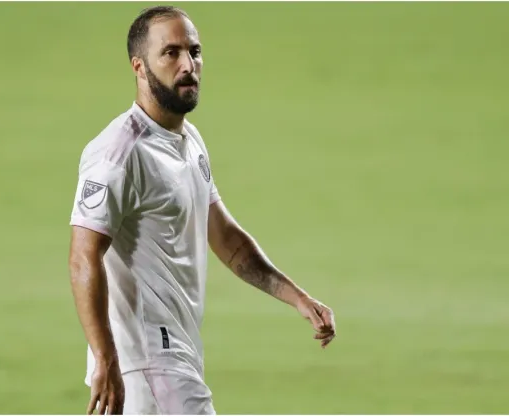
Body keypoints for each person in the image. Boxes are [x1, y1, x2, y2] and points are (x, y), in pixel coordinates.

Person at [68, 6, 336, 415]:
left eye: (194, 51)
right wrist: (106, 358)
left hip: (174, 358)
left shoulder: (188, 140)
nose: (187, 65)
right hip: (145, 365)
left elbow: (226, 237)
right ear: (139, 67)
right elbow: (83, 255)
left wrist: (296, 297)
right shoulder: (119, 154)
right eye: (171, 53)